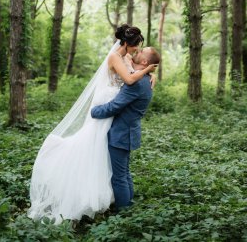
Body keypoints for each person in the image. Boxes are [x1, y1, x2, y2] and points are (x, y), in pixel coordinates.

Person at [28, 24, 157, 224]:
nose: (137, 50)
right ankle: (107, 202)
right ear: (127, 43)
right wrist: (147, 70)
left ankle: (119, 206)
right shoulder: (115, 56)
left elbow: (133, 78)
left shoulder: (129, 57)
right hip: (107, 105)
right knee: (94, 148)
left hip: (116, 109)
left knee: (109, 161)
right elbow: (130, 80)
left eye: (139, 49)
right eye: (136, 47)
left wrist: (150, 74)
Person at [91, 47, 160, 210]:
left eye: (143, 50)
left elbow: (115, 106)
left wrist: (93, 111)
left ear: (144, 62)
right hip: (128, 132)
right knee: (124, 173)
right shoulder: (144, 78)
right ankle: (128, 206)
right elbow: (125, 56)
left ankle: (123, 213)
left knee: (119, 177)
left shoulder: (137, 83)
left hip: (121, 134)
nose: (139, 50)